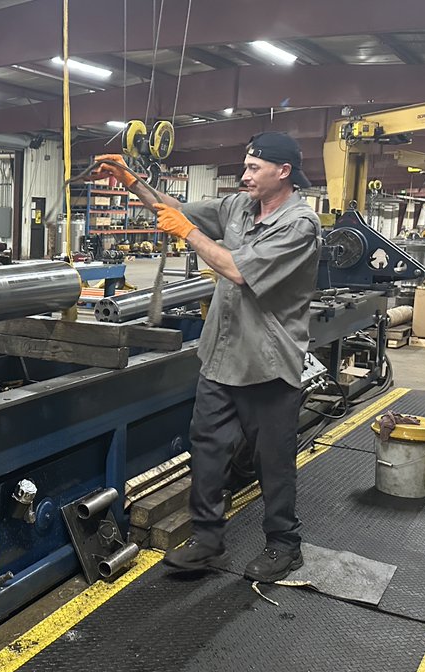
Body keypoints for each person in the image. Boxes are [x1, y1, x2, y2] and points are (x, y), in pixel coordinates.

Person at [94, 131, 320, 582]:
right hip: (221, 356)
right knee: (207, 451)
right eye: (245, 165)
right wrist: (132, 181)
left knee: (272, 460)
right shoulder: (238, 207)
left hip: (268, 363)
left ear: (284, 172)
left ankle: (283, 544)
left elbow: (237, 270)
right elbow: (172, 211)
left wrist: (190, 234)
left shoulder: (299, 225)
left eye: (254, 168)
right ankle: (208, 540)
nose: (245, 175)